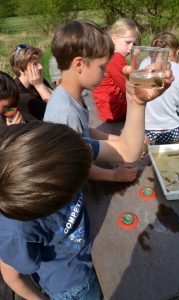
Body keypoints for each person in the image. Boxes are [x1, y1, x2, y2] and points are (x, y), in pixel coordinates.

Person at [0, 29, 173, 300]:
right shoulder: (15, 227)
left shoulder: (59, 149)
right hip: (70, 286)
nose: (82, 169)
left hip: (83, 254)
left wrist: (136, 99)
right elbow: (12, 275)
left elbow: (126, 151)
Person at [44, 20, 138, 183]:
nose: (104, 73)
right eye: (102, 67)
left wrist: (119, 140)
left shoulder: (72, 95)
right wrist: (114, 175)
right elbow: (75, 164)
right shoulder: (65, 113)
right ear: (79, 64)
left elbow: (85, 132)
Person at [142, 32, 179, 144]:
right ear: (177, 51)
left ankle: (145, 145)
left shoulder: (144, 64)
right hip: (171, 133)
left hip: (145, 131)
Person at [92, 17, 141, 122]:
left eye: (134, 44)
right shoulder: (116, 58)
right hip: (114, 111)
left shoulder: (106, 53)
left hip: (105, 108)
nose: (131, 47)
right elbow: (128, 86)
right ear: (114, 39)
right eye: (128, 42)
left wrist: (134, 58)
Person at [10, 44, 52, 122]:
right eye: (35, 64)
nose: (40, 67)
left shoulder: (36, 80)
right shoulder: (21, 98)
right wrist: (40, 86)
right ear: (21, 69)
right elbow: (59, 110)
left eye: (38, 62)